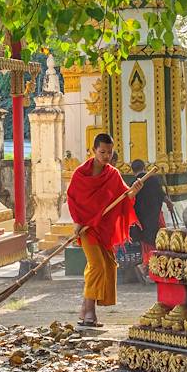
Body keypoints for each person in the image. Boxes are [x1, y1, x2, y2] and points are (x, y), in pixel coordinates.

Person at [67, 134, 142, 327]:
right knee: (97, 265)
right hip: (86, 228)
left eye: (109, 152)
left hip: (103, 228)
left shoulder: (113, 174)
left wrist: (134, 190)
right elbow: (72, 198)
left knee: (107, 266)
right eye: (102, 152)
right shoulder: (80, 174)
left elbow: (125, 196)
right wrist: (77, 222)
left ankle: (85, 308)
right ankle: (90, 310)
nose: (106, 156)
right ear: (93, 151)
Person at [128, 159, 166, 282]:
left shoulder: (133, 183)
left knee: (146, 244)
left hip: (141, 219)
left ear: (133, 170)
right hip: (154, 215)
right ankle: (148, 267)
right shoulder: (154, 179)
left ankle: (146, 266)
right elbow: (161, 195)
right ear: (144, 167)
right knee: (157, 242)